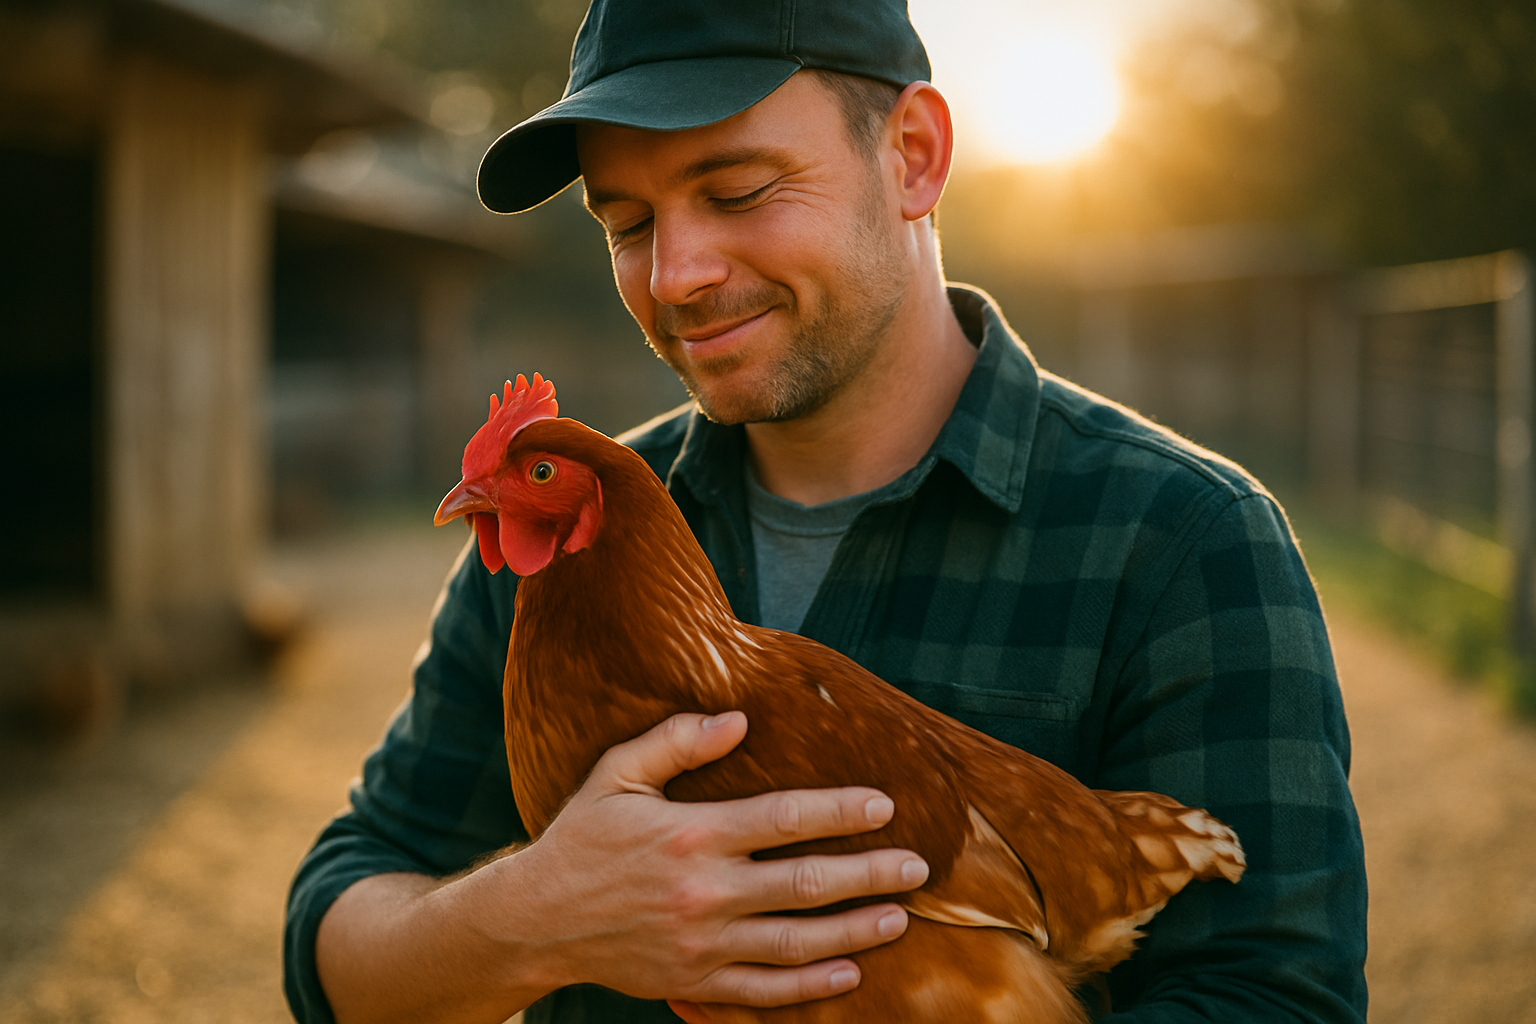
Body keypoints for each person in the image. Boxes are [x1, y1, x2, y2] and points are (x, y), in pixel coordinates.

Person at [284, 0, 1369, 1021]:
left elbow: (1275, 995)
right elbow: (340, 933)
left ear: (913, 157)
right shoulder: (570, 542)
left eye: (739, 190)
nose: (677, 273)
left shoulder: (1183, 544)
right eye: (625, 221)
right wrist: (530, 918)